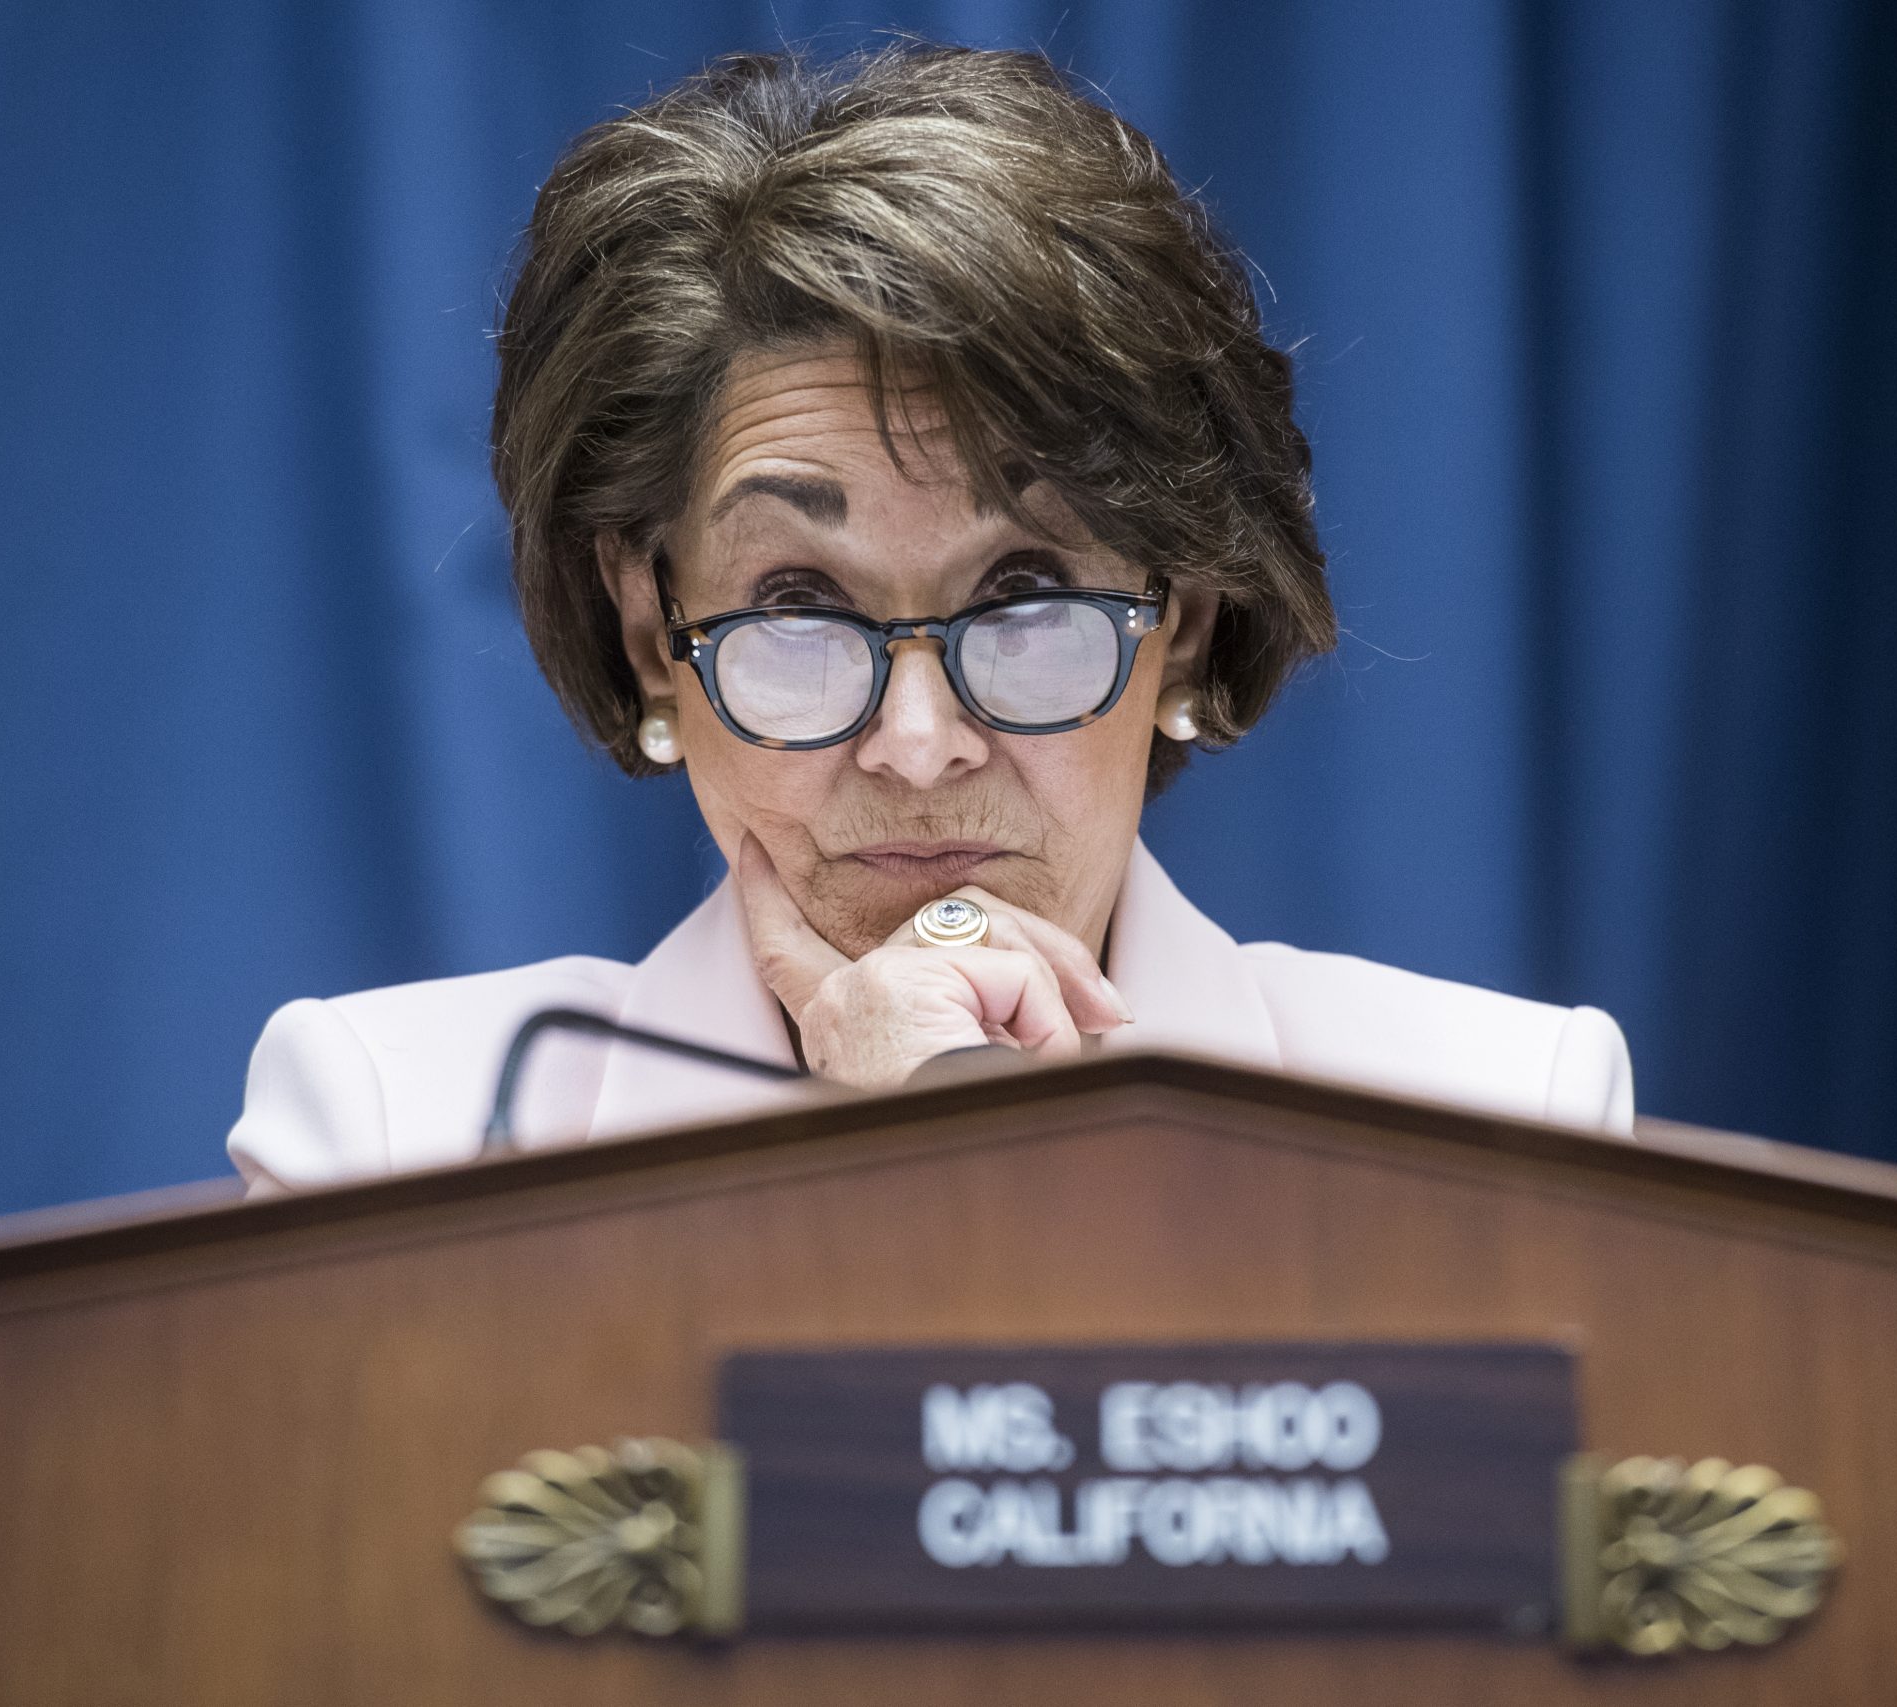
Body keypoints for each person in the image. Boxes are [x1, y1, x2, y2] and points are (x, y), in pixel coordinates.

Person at [228, 43, 1633, 1193]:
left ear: (1185, 619)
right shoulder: (388, 1132)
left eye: (1022, 596)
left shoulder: (1507, 1121)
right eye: (796, 604)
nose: (916, 745)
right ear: (656, 631)